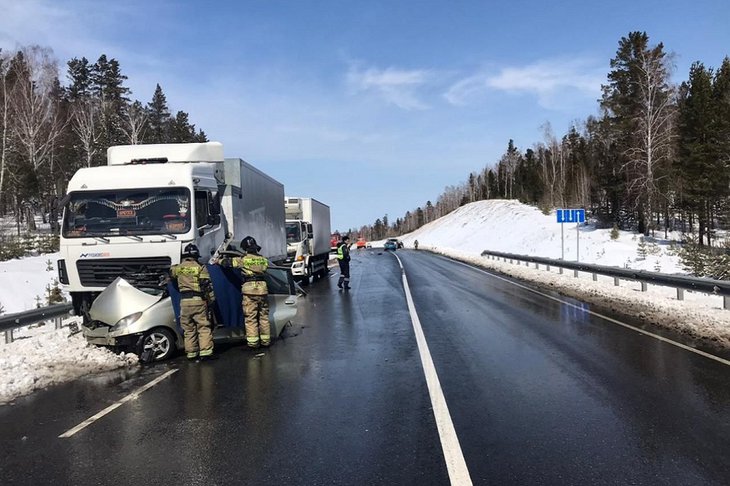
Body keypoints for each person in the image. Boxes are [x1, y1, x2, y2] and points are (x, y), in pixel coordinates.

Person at [219, 236, 271, 348]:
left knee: (251, 318)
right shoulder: (263, 259)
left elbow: (227, 263)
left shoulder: (243, 259)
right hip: (262, 290)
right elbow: (265, 268)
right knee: (264, 317)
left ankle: (253, 343)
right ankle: (266, 341)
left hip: (250, 291)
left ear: (245, 248)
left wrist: (218, 260)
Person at [169, 243, 215, 361]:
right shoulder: (200, 267)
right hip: (198, 301)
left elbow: (170, 273)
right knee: (203, 327)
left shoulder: (178, 268)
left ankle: (191, 353)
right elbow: (206, 286)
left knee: (188, 329)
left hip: (184, 302)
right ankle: (205, 352)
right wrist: (211, 300)